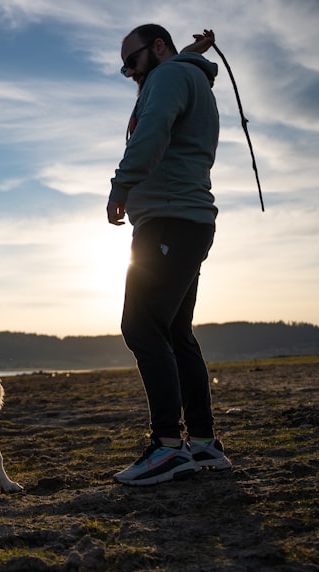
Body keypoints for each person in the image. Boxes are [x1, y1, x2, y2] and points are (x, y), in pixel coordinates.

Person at [107, 25, 233, 486]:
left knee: (141, 326)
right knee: (176, 333)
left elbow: (154, 130)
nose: (129, 72)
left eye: (132, 61)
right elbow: (170, 108)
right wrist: (186, 55)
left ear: (158, 47)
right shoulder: (184, 73)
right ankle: (202, 443)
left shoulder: (169, 77)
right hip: (187, 221)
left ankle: (167, 447)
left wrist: (121, 186)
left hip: (169, 220)